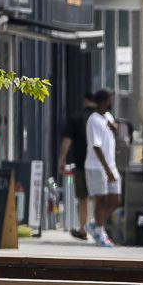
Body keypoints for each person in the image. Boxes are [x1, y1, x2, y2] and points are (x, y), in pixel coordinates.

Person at [57, 90, 106, 239]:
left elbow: (67, 140)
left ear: (85, 101)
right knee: (99, 197)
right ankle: (99, 229)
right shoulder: (103, 118)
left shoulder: (76, 118)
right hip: (100, 164)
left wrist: (61, 159)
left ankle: (83, 230)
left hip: (81, 164)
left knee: (83, 198)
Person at [84, 89, 122, 247]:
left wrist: (114, 126)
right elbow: (96, 147)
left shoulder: (107, 116)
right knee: (100, 200)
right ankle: (100, 233)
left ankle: (94, 224)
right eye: (110, 99)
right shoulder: (94, 120)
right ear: (104, 101)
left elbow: (116, 129)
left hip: (110, 165)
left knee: (116, 199)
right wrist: (107, 169)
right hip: (97, 167)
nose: (112, 101)